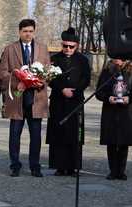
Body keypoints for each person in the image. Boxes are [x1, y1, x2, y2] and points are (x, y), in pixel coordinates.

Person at [0, 19, 50, 177]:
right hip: (17, 98)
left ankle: (35, 166)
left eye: (31, 31)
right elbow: (2, 72)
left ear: (34, 32)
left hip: (36, 98)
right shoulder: (9, 49)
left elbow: (48, 70)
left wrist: (41, 80)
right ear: (19, 32)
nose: (28, 34)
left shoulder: (42, 48)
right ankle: (15, 165)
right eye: (25, 31)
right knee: (15, 134)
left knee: (36, 135)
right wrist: (15, 83)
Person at [46, 28, 91, 176]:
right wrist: (62, 89)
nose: (67, 49)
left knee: (74, 134)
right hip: (58, 100)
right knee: (58, 133)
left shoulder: (83, 60)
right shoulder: (54, 58)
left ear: (76, 46)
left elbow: (86, 79)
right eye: (65, 46)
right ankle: (59, 166)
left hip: (75, 101)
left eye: (71, 46)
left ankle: (73, 167)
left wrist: (75, 90)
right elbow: (50, 78)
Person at [96, 59, 132, 180]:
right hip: (110, 111)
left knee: (123, 142)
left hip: (126, 112)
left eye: (121, 58)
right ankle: (113, 171)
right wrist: (108, 97)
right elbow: (99, 92)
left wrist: (129, 98)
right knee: (111, 141)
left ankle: (121, 171)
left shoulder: (130, 70)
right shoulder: (107, 71)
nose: (118, 60)